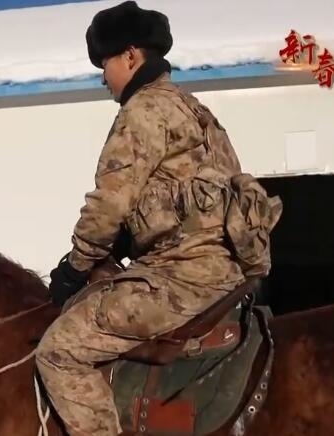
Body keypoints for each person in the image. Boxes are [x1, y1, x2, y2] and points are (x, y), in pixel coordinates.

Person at [34, 2, 282, 435]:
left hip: (181, 280)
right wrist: (129, 240)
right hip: (224, 275)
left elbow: (108, 203)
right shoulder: (195, 110)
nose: (103, 77)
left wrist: (75, 267)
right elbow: (193, 201)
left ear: (130, 56)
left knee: (58, 350)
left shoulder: (141, 111)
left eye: (105, 63)